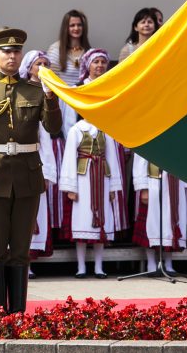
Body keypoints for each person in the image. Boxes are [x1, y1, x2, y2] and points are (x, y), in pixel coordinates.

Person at [0, 28, 62, 316]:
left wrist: (51, 97)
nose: (12, 55)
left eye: (16, 51)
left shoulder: (33, 90)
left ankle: (17, 314)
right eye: (6, 51)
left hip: (28, 177)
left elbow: (53, 128)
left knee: (20, 250)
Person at [59, 71, 126, 280]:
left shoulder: (106, 129)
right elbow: (69, 158)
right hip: (83, 180)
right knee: (83, 221)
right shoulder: (76, 130)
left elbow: (112, 159)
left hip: (102, 179)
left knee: (101, 224)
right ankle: (81, 266)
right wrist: (71, 188)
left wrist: (114, 187)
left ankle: (98, 266)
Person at [19, 50, 63, 278]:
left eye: (46, 63)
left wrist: (48, 171)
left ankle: (30, 261)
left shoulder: (52, 90)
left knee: (36, 212)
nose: (43, 66)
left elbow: (47, 137)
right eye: (39, 63)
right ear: (29, 68)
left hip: (38, 157)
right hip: (19, 157)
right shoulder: (22, 91)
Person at [132, 153, 187, 276]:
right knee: (151, 222)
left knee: (171, 222)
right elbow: (140, 158)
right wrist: (143, 187)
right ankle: (151, 263)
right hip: (152, 182)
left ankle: (168, 264)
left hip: (174, 182)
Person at [46, 10, 91, 87]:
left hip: (83, 97)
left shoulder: (89, 51)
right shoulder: (56, 50)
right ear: (66, 28)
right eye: (72, 25)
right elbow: (51, 79)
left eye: (79, 25)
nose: (76, 28)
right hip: (63, 96)